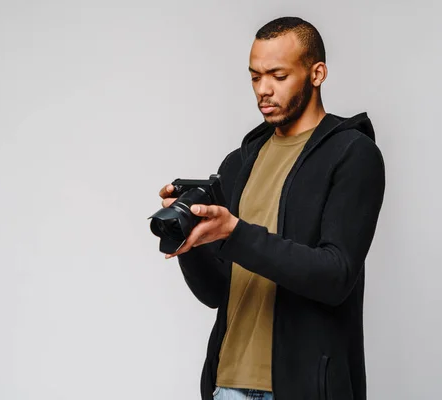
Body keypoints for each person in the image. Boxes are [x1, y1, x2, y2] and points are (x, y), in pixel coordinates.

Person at [158, 16, 385, 400]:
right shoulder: (239, 162)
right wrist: (190, 244)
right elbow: (217, 292)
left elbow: (336, 275)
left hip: (306, 389)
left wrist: (235, 232)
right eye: (255, 76)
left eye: (278, 76)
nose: (264, 90)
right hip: (227, 386)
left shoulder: (352, 154)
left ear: (317, 73)